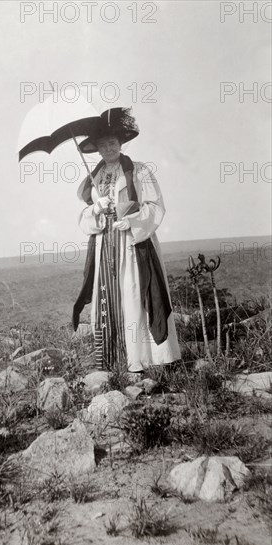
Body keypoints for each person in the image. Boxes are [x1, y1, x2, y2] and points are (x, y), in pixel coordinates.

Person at [73, 108, 181, 373]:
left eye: (112, 143)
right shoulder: (93, 179)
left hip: (132, 246)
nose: (108, 148)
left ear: (121, 144)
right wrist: (96, 209)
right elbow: (84, 219)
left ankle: (141, 360)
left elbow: (155, 206)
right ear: (97, 149)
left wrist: (132, 221)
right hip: (104, 247)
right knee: (108, 300)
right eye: (103, 145)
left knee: (135, 296)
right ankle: (112, 360)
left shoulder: (139, 171)